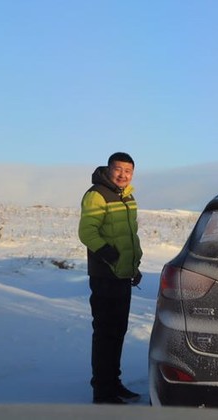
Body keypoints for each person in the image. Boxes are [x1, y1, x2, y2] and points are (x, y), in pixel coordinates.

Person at [78, 152, 143, 404]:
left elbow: (129, 237)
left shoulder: (127, 197)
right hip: (105, 275)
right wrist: (110, 255)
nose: (123, 175)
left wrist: (132, 266)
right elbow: (87, 232)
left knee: (117, 332)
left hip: (122, 275)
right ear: (108, 169)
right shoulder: (97, 194)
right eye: (118, 169)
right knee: (106, 333)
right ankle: (102, 391)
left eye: (128, 171)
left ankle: (113, 383)